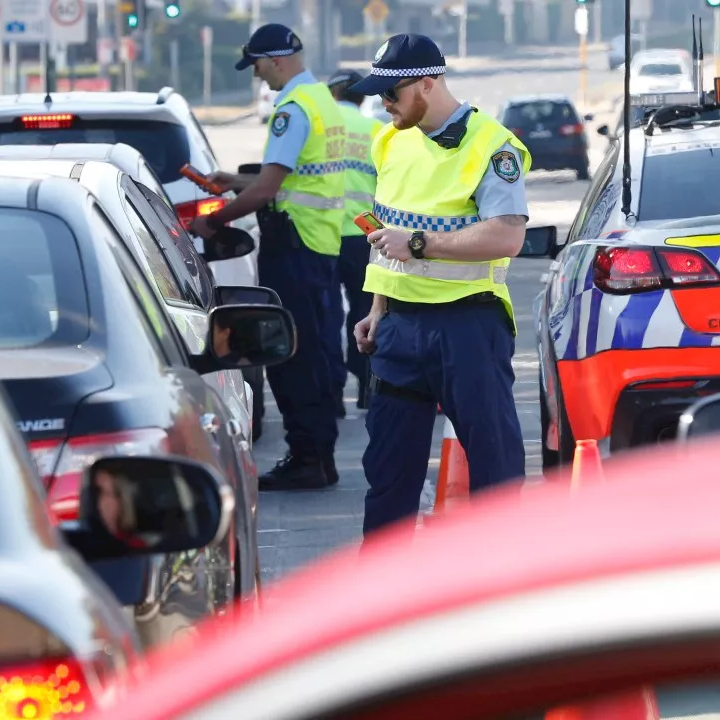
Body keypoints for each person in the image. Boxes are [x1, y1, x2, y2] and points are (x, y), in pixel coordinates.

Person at [348, 33, 532, 542]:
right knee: (387, 474)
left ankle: (497, 584)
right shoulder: (389, 139)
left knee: (494, 466)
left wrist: (422, 244)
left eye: (393, 95)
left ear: (427, 85)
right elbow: (386, 234)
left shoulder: (494, 146)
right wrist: (377, 308)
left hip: (467, 326)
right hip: (399, 330)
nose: (385, 106)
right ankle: (383, 598)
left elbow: (507, 235)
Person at [190, 23, 347, 492]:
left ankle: (307, 458)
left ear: (276, 59)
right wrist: (229, 182)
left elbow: (269, 188)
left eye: (258, 66)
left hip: (294, 245)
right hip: (318, 244)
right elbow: (294, 179)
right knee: (315, 352)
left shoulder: (292, 109)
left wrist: (213, 221)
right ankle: (319, 454)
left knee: (291, 356)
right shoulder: (320, 100)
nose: (258, 76)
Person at [325, 69, 384, 414]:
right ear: (362, 97)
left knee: (327, 315)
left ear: (331, 94)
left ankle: (332, 397)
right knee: (366, 313)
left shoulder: (323, 132)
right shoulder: (377, 132)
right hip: (366, 234)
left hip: (322, 234)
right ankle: (366, 387)